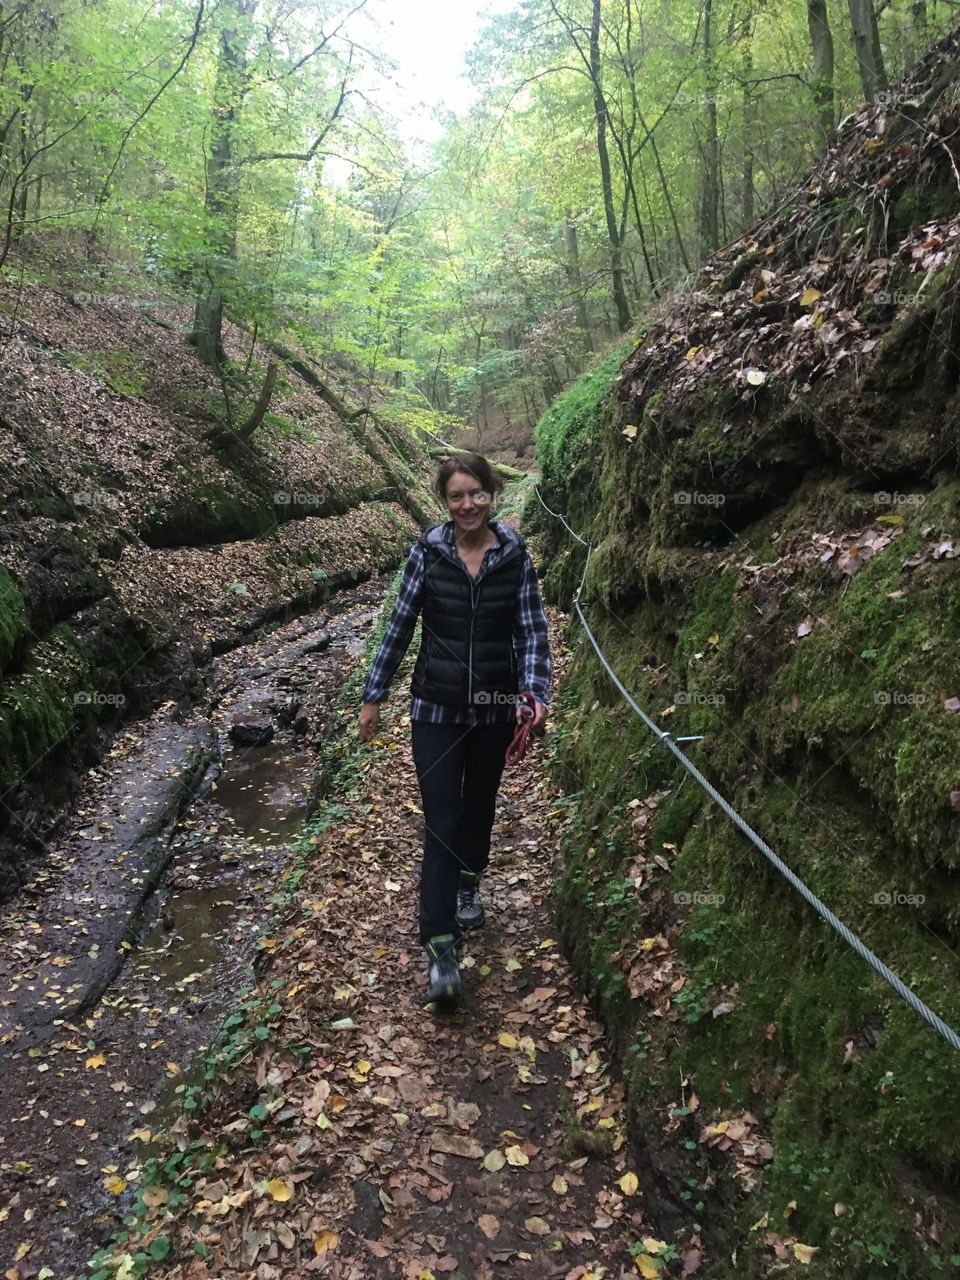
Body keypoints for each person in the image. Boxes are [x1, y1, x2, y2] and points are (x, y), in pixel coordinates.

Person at [358, 453, 551, 1006]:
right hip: (436, 711)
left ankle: (470, 879)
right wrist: (374, 695)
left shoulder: (514, 557)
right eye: (456, 496)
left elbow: (533, 631)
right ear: (445, 502)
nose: (467, 505)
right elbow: (399, 624)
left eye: (476, 494)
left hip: (494, 711)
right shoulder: (429, 552)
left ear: (491, 494)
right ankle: (441, 944)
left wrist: (534, 694)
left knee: (479, 809)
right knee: (442, 821)